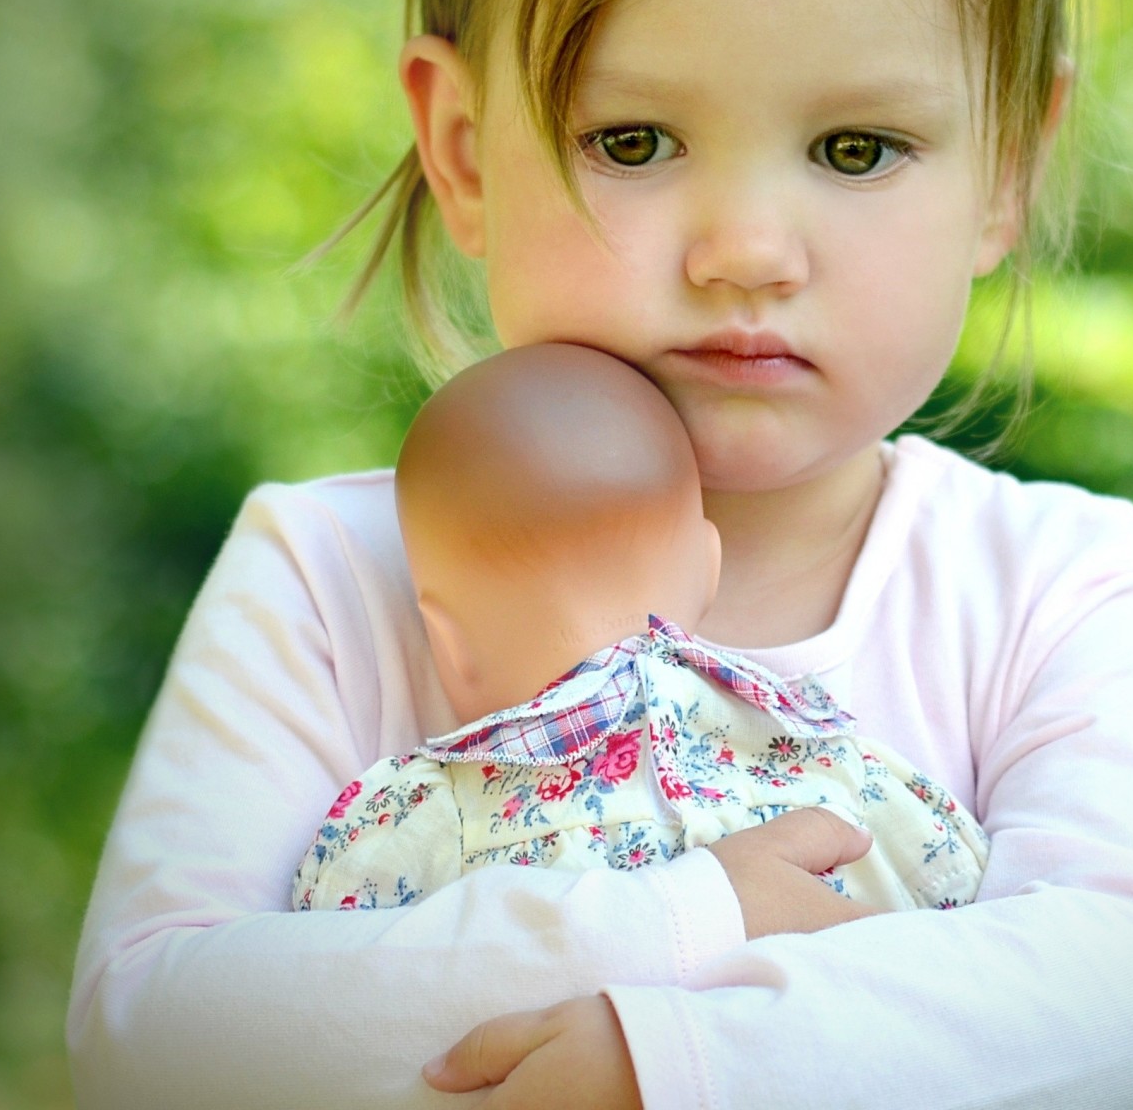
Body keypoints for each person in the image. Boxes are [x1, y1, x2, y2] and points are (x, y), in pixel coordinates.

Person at [66, 0, 1133, 1105]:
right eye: (632, 141)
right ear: (461, 149)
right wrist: (677, 922)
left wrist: (676, 1058)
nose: (747, 251)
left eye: (858, 149)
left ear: (1008, 164)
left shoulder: (1049, 590)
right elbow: (155, 1036)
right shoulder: (329, 581)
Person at [292, 342, 988, 916]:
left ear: (448, 640)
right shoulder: (828, 758)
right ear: (708, 568)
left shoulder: (426, 817)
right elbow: (959, 886)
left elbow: (320, 975)